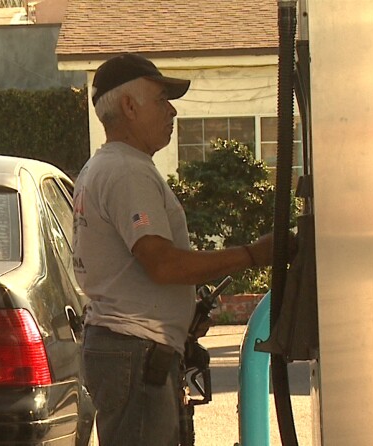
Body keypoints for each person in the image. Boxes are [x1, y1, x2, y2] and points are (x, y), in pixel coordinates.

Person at [72, 53, 273, 446]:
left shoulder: (103, 167)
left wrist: (181, 312)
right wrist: (253, 254)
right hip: (136, 351)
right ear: (129, 106)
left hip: (126, 346)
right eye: (162, 99)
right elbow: (161, 264)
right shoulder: (127, 171)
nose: (173, 111)